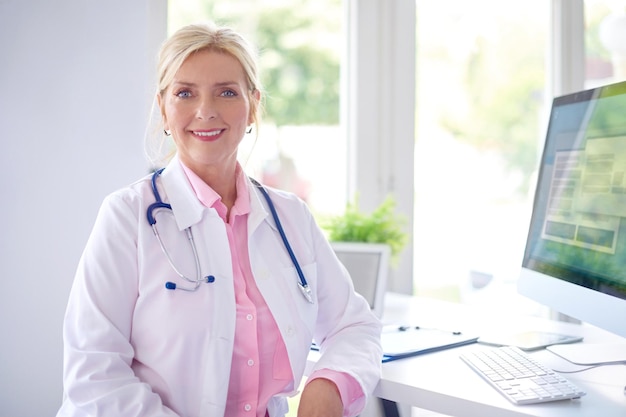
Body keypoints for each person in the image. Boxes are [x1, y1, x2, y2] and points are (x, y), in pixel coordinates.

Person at [57, 22, 382, 417]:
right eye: (185, 93)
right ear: (163, 108)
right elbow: (94, 375)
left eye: (227, 92)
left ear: (253, 106)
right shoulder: (127, 217)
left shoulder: (289, 217)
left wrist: (328, 385)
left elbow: (356, 326)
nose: (206, 111)